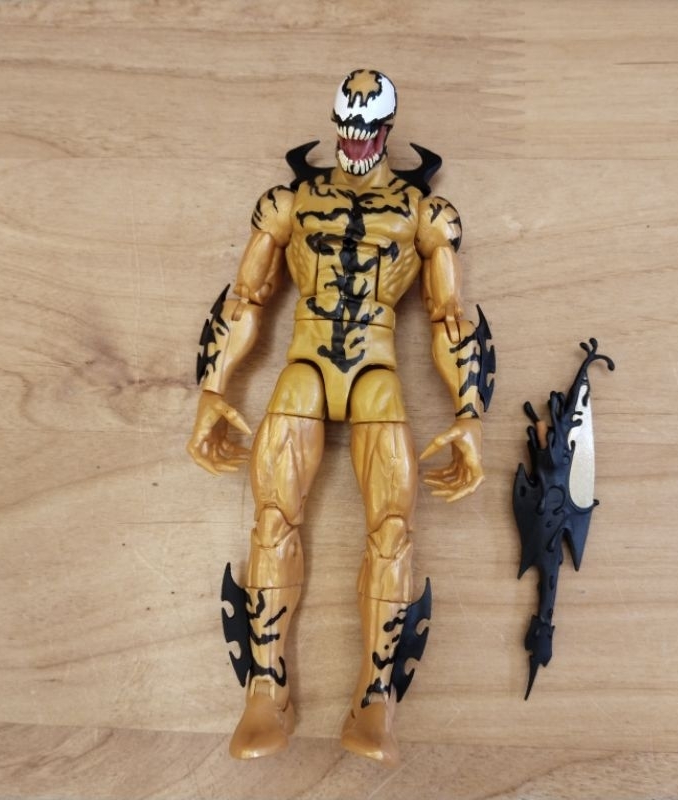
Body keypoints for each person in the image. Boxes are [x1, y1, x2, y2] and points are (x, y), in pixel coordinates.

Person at [187, 69, 494, 765]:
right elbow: (245, 296)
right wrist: (212, 386)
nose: (355, 140)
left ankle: (375, 699)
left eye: (367, 129)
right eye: (347, 128)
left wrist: (470, 410)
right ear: (337, 125)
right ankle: (266, 691)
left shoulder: (423, 215)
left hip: (375, 375)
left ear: (385, 131)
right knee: (271, 518)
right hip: (304, 364)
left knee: (393, 529)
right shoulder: (289, 204)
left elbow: (448, 315)